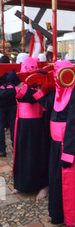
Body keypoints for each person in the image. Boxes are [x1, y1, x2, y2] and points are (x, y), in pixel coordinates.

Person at [31, 60, 75, 227]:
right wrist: (39, 86)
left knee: (71, 182)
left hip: (69, 145)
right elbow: (47, 104)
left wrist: (69, 152)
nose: (57, 75)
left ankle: (73, 218)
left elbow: (74, 122)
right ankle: (57, 214)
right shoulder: (57, 89)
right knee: (55, 179)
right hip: (56, 144)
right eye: (55, 72)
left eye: (60, 72)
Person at [7, 57, 50, 201]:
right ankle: (21, 184)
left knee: (36, 154)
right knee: (21, 152)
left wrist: (18, 84)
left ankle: (43, 185)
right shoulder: (21, 81)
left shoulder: (41, 80)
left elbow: (32, 97)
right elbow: (16, 95)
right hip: (22, 122)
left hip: (37, 123)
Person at [0, 55, 17, 157]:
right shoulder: (12, 72)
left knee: (0, 127)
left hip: (1, 103)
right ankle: (15, 147)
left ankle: (2, 149)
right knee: (13, 126)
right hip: (12, 102)